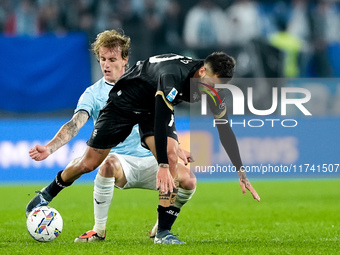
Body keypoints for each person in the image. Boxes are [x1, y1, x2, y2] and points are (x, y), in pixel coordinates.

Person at [27, 51, 260, 244]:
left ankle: (162, 233)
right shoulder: (172, 77)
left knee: (171, 155)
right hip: (124, 102)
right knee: (89, 163)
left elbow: (224, 128)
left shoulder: (208, 85)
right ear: (202, 72)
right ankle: (48, 192)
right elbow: (161, 116)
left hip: (151, 106)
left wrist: (240, 170)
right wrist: (161, 164)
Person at [27, 30, 196, 244]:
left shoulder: (145, 83)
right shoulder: (93, 94)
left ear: (125, 60)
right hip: (121, 165)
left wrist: (176, 147)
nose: (106, 65)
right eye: (102, 59)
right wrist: (50, 148)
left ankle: (162, 227)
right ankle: (98, 230)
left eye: (112, 59)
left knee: (189, 180)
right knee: (105, 163)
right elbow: (75, 124)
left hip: (151, 162)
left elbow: (162, 121)